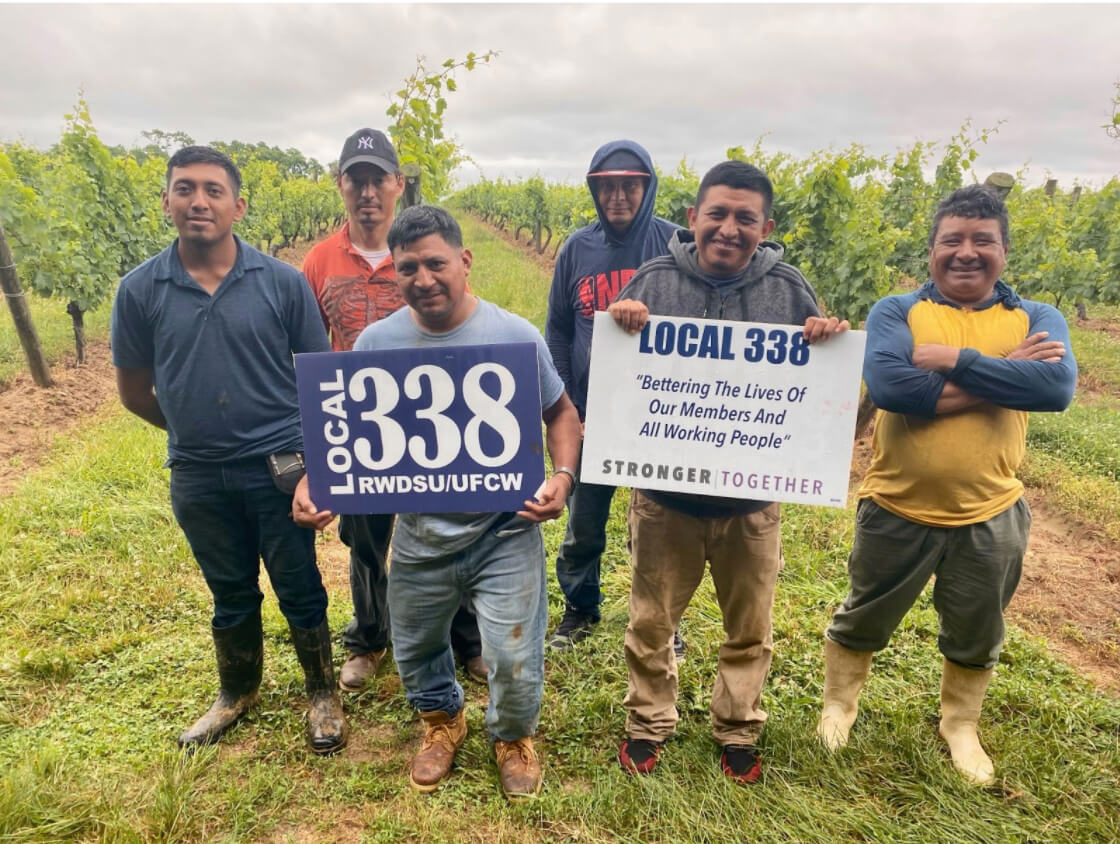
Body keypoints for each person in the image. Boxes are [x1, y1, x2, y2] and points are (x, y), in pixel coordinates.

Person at [293, 205, 582, 800]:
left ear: (465, 262)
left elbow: (561, 414)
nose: (423, 278)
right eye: (407, 268)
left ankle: (511, 736)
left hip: (506, 532)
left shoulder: (514, 335)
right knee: (417, 645)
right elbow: (351, 430)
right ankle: (440, 722)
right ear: (394, 274)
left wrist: (563, 476)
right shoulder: (376, 341)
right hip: (421, 535)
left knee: (513, 653)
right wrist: (316, 482)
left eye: (435, 263)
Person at [816, 185, 1076, 785]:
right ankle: (840, 704)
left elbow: (1056, 390)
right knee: (864, 614)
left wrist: (953, 362)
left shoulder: (1036, 318)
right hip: (895, 504)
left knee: (977, 625)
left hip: (991, 510)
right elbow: (893, 390)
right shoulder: (895, 311)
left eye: (982, 240)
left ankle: (960, 723)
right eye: (951, 240)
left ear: (1004, 251)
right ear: (931, 250)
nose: (966, 252)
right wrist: (1012, 368)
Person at [605, 160, 848, 785]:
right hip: (666, 502)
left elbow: (816, 395)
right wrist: (626, 322)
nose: (729, 228)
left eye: (745, 218)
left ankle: (738, 728)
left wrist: (825, 338)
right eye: (717, 214)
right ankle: (648, 722)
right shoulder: (654, 280)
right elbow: (622, 387)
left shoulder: (789, 289)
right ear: (693, 218)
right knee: (651, 623)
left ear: (765, 226)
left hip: (752, 508)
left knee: (750, 629)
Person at [110, 146, 347, 754]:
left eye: (214, 190)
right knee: (229, 589)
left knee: (299, 583)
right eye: (184, 188)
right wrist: (194, 432)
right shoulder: (140, 291)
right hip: (197, 474)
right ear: (165, 202)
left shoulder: (283, 283)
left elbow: (322, 383)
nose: (199, 201)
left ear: (238, 205)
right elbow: (135, 392)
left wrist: (313, 468)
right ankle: (237, 690)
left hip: (279, 466)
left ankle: (323, 692)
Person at [301, 127, 485, 692]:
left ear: (397, 183)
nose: (367, 192)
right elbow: (311, 354)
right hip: (363, 430)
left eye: (378, 178)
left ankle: (466, 640)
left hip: (438, 420)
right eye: (355, 180)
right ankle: (370, 637)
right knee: (366, 540)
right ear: (340, 186)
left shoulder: (425, 251)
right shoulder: (319, 262)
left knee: (453, 531)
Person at [544, 140, 682, 651]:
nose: (618, 196)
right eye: (608, 187)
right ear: (595, 190)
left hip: (660, 417)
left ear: (646, 187)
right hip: (592, 417)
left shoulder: (676, 245)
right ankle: (580, 609)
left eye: (630, 185)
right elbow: (558, 329)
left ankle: (665, 620)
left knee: (662, 527)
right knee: (583, 523)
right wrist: (565, 403)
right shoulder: (577, 250)